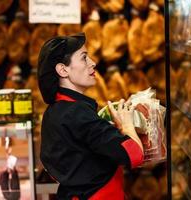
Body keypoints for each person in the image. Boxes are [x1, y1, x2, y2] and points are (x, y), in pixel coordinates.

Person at [37, 32, 144, 200]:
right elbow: (135, 155)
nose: (93, 63)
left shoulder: (53, 111)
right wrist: (128, 124)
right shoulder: (78, 113)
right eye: (84, 58)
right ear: (63, 69)